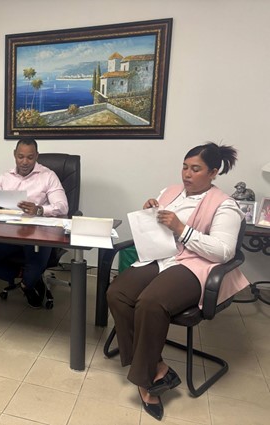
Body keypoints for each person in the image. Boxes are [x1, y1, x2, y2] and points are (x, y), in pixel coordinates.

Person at [106, 142, 249, 421]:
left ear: (213, 173)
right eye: (184, 167)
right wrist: (150, 212)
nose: (187, 174)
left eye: (195, 169)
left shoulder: (225, 205)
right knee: (117, 292)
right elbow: (159, 227)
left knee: (150, 302)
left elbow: (223, 251)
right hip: (162, 257)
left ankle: (145, 381)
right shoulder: (170, 192)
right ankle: (158, 366)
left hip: (196, 265)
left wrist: (182, 229)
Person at [0, 138, 68, 308]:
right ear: (14, 155)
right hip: (9, 233)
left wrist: (39, 209)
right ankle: (26, 278)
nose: (24, 162)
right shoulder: (6, 177)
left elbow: (63, 207)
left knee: (32, 275)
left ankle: (28, 283)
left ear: (37, 156)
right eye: (20, 157)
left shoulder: (48, 176)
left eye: (30, 157)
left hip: (38, 236)